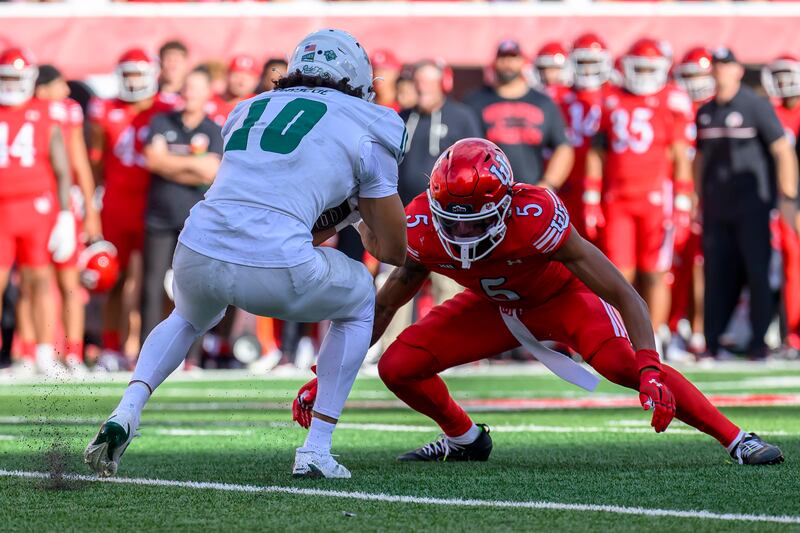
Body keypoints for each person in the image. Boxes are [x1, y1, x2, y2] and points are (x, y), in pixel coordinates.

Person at [292, 138, 785, 466]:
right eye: (454, 218)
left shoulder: (536, 214)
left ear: (507, 202)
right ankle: (466, 439)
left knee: (623, 363)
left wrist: (651, 364)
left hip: (559, 300)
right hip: (491, 308)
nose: (463, 232)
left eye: (476, 218)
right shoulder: (420, 228)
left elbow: (620, 290)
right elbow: (382, 307)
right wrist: (325, 378)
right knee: (398, 365)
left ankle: (736, 438)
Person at [85, 28, 408, 480]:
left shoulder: (247, 109)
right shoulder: (371, 121)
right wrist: (355, 218)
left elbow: (272, 201)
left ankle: (127, 409)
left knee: (185, 317)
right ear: (355, 78)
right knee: (359, 297)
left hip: (198, 245)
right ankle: (316, 448)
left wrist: (338, 216)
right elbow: (393, 249)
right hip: (276, 262)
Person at [587, 38, 694, 351]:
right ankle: (620, 336)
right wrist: (593, 196)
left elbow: (679, 153)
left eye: (651, 68)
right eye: (640, 68)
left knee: (656, 272)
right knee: (619, 274)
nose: (645, 75)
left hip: (656, 199)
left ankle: (657, 334)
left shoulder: (671, 99)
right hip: (618, 199)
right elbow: (598, 150)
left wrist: (684, 198)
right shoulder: (611, 99)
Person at [696, 47, 799, 360]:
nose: (721, 71)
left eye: (727, 66)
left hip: (752, 206)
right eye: (717, 66)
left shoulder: (756, 106)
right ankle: (711, 343)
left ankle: (758, 343)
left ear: (738, 70)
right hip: (716, 207)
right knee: (715, 274)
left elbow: (782, 150)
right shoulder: (705, 111)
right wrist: (697, 198)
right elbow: (699, 158)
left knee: (757, 273)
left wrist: (788, 197)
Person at [89, 48, 175, 365]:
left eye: (139, 73)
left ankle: (165, 345)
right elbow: (95, 160)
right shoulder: (105, 109)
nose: (134, 81)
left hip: (156, 204)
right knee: (114, 278)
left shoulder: (168, 107)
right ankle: (112, 346)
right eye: (129, 74)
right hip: (117, 205)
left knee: (162, 281)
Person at [14, 64, 102, 373]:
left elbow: (78, 162)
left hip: (62, 207)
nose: (66, 91)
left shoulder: (67, 112)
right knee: (29, 282)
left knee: (69, 281)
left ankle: (73, 353)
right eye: (60, 84)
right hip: (31, 207)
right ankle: (27, 352)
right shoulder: (20, 111)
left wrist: (91, 211)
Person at [0, 48, 76, 375]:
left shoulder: (46, 114)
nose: (14, 84)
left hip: (36, 207)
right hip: (3, 208)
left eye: (19, 78)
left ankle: (43, 352)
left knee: (40, 282)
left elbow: (62, 168)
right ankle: (24, 354)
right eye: (8, 78)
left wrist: (64, 214)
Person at [140, 67, 222, 340]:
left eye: (196, 88)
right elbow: (153, 161)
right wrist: (193, 167)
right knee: (151, 285)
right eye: (187, 87)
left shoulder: (213, 129)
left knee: (195, 285)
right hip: (159, 216)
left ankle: (193, 352)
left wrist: (168, 164)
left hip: (196, 219)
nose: (190, 94)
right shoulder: (161, 121)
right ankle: (145, 347)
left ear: (207, 93)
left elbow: (212, 170)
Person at [465, 40, 573, 190]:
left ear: (522, 61)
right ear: (495, 62)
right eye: (503, 58)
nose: (508, 63)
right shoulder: (475, 101)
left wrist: (548, 184)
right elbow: (464, 149)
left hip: (530, 190)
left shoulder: (543, 102)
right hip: (486, 192)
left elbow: (563, 147)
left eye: (513, 58)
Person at [398, 59, 482, 205]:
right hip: (404, 207)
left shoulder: (462, 117)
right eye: (418, 82)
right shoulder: (402, 118)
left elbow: (476, 163)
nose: (422, 88)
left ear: (444, 84)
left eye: (429, 82)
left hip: (445, 209)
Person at [556, 34, 614, 242]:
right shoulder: (558, 96)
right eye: (583, 63)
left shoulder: (615, 96)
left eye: (593, 63)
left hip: (605, 185)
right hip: (568, 184)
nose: (588, 69)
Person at [762, 54, 800, 350]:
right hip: (782, 201)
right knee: (788, 268)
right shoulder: (767, 111)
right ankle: (791, 336)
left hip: (790, 200)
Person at [206, 54, 260, 126]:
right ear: (226, 75)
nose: (241, 82)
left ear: (257, 81)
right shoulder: (207, 100)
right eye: (236, 76)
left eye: (247, 78)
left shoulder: (259, 106)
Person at [157, 40, 189, 104]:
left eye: (177, 60)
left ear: (186, 63)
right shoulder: (149, 98)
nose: (172, 64)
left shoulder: (192, 98)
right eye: (168, 60)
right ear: (160, 63)